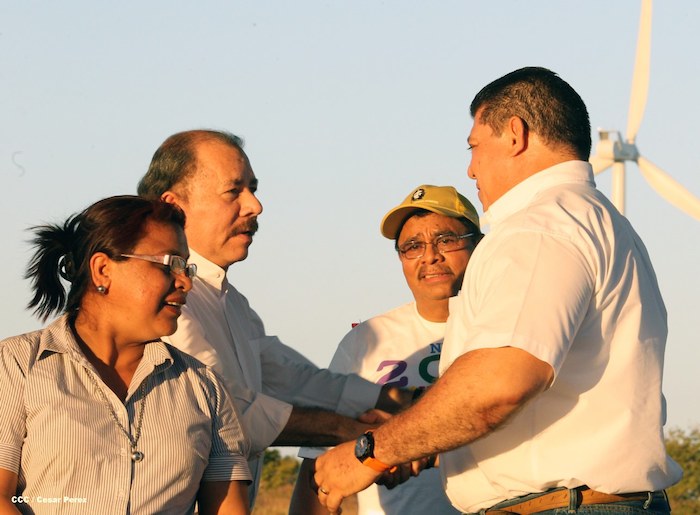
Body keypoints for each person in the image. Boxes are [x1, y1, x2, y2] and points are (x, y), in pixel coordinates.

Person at [313, 66, 683, 515]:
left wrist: (371, 452)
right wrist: (421, 439)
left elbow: (500, 384)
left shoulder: (539, 226)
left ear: (514, 134)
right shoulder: (597, 220)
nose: (470, 168)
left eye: (474, 146)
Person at [137, 130, 412, 507]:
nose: (255, 205)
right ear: (174, 205)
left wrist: (402, 402)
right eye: (233, 191)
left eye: (252, 189)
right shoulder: (162, 303)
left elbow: (291, 380)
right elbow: (226, 412)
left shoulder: (231, 303)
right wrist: (363, 438)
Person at [0, 196, 251, 514]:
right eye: (170, 264)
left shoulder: (207, 389)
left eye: (186, 267)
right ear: (102, 270)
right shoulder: (16, 365)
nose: (185, 282)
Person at [290, 184, 481, 515]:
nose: (430, 256)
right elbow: (318, 462)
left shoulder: (509, 326)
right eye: (413, 246)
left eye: (446, 240)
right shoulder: (366, 339)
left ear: (479, 245)